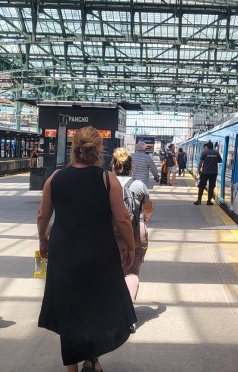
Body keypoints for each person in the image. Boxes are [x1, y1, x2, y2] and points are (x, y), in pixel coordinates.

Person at [37, 126, 137, 372]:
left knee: (68, 307)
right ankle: (91, 359)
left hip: (64, 253)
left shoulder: (55, 177)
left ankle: (73, 366)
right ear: (99, 150)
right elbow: (122, 218)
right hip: (99, 252)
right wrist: (131, 247)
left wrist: (43, 240)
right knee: (97, 304)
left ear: (74, 149)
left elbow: (42, 215)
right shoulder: (107, 179)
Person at [111, 147, 153, 331]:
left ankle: (110, 313)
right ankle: (129, 317)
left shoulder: (107, 184)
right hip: (136, 233)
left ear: (113, 165)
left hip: (109, 235)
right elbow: (149, 209)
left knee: (111, 273)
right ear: (131, 166)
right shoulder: (139, 185)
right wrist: (141, 219)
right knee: (132, 272)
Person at [195, 141, 222, 206]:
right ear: (212, 146)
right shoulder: (216, 153)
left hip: (205, 172)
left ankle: (199, 201)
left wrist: (199, 170)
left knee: (201, 186)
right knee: (211, 187)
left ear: (207, 146)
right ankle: (209, 201)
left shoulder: (204, 153)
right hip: (213, 173)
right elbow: (220, 161)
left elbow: (201, 162)